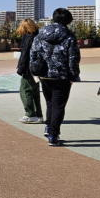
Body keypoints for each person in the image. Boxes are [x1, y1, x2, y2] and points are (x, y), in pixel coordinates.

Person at [29, 8, 80, 146]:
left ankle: (48, 127)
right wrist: (74, 75)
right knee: (59, 105)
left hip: (44, 74)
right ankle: (53, 134)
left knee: (50, 103)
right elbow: (73, 58)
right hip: (62, 76)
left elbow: (33, 53)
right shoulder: (69, 36)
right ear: (68, 20)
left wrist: (35, 71)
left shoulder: (40, 34)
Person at [16, 19, 42, 123]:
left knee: (25, 90)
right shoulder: (38, 36)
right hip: (37, 69)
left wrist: (21, 68)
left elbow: (25, 54)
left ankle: (30, 114)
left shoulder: (28, 37)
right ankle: (38, 115)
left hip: (28, 69)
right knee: (35, 92)